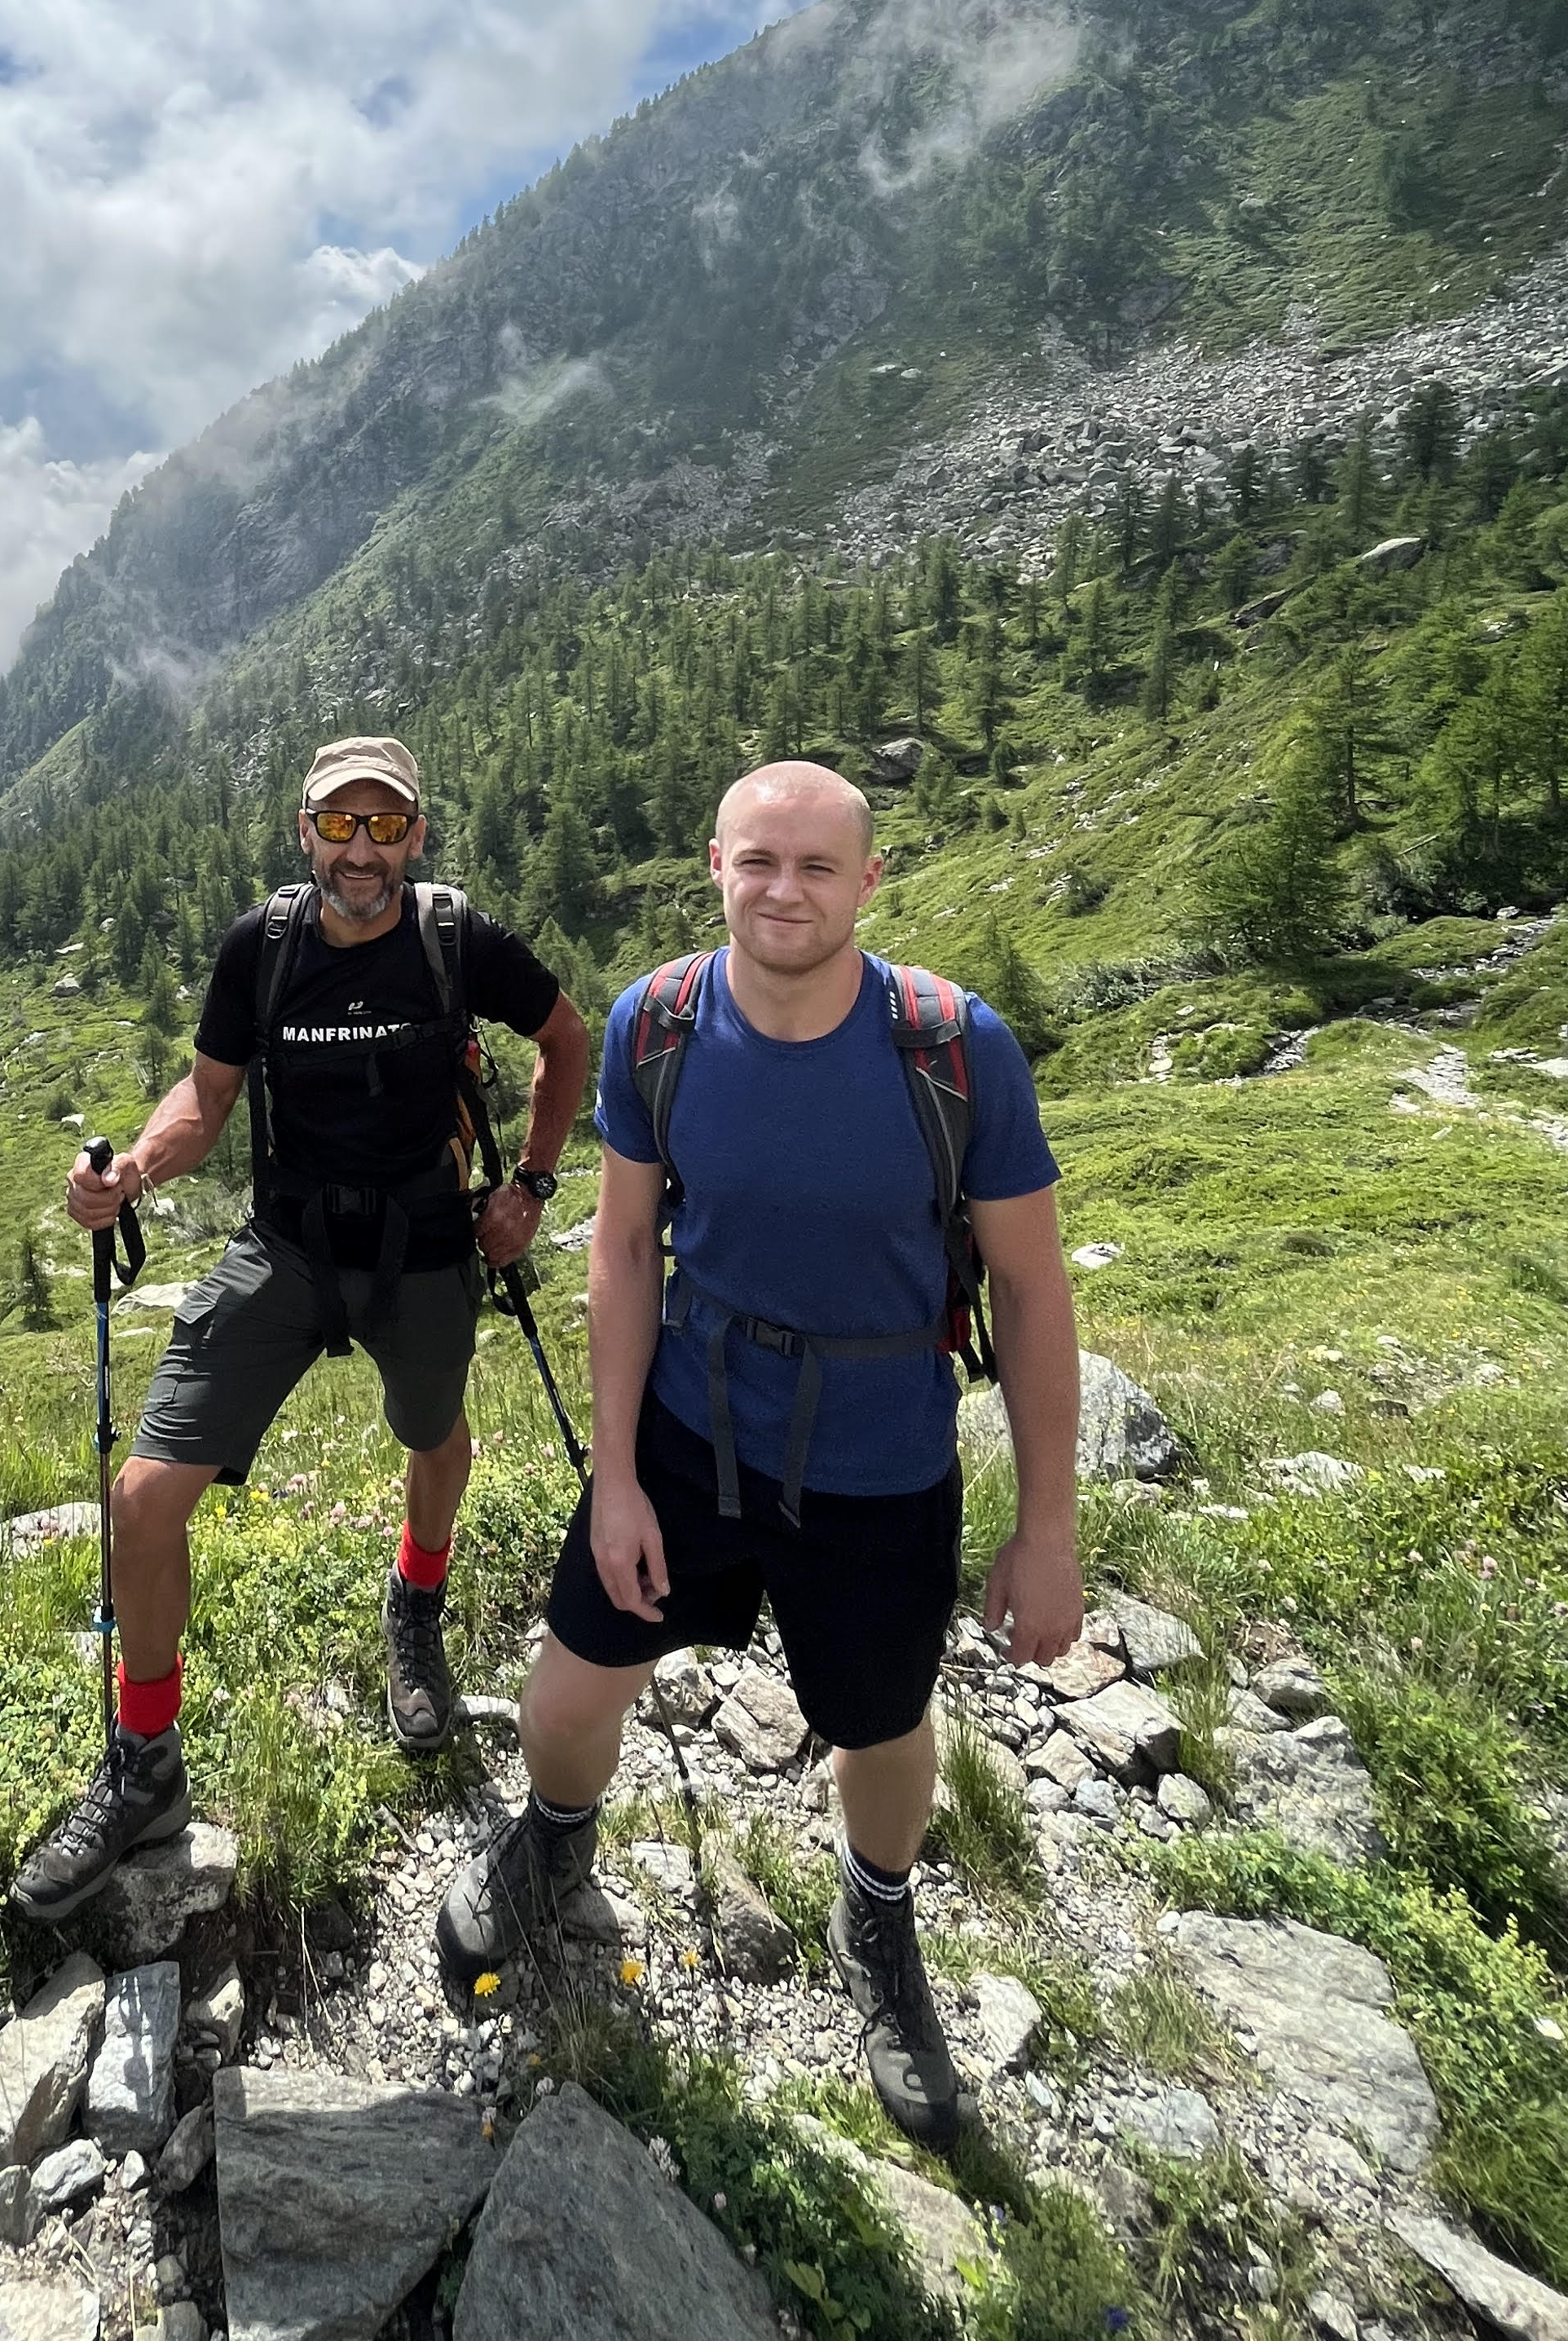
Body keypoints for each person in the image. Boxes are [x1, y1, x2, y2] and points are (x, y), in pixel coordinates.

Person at [436, 759, 1080, 2149]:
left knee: (884, 1730)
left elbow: (1031, 1289)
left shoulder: (955, 1050)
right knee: (566, 1690)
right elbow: (620, 1247)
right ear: (715, 866)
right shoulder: (657, 1024)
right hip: (688, 1433)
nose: (785, 890)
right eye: (759, 862)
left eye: (817, 866)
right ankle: (554, 1837)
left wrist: (1049, 1526)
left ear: (868, 882)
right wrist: (615, 1475)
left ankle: (879, 1921)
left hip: (882, 1457)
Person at [12, 734, 591, 1922]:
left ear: (416, 836)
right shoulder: (261, 948)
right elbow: (206, 1096)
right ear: (305, 832)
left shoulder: (454, 941)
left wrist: (528, 1187)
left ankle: (414, 1609)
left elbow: (566, 1040)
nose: (362, 850)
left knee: (437, 1439)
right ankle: (144, 1766)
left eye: (386, 827)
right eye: (341, 826)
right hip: (286, 1248)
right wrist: (131, 1170)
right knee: (139, 1500)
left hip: (428, 1241)